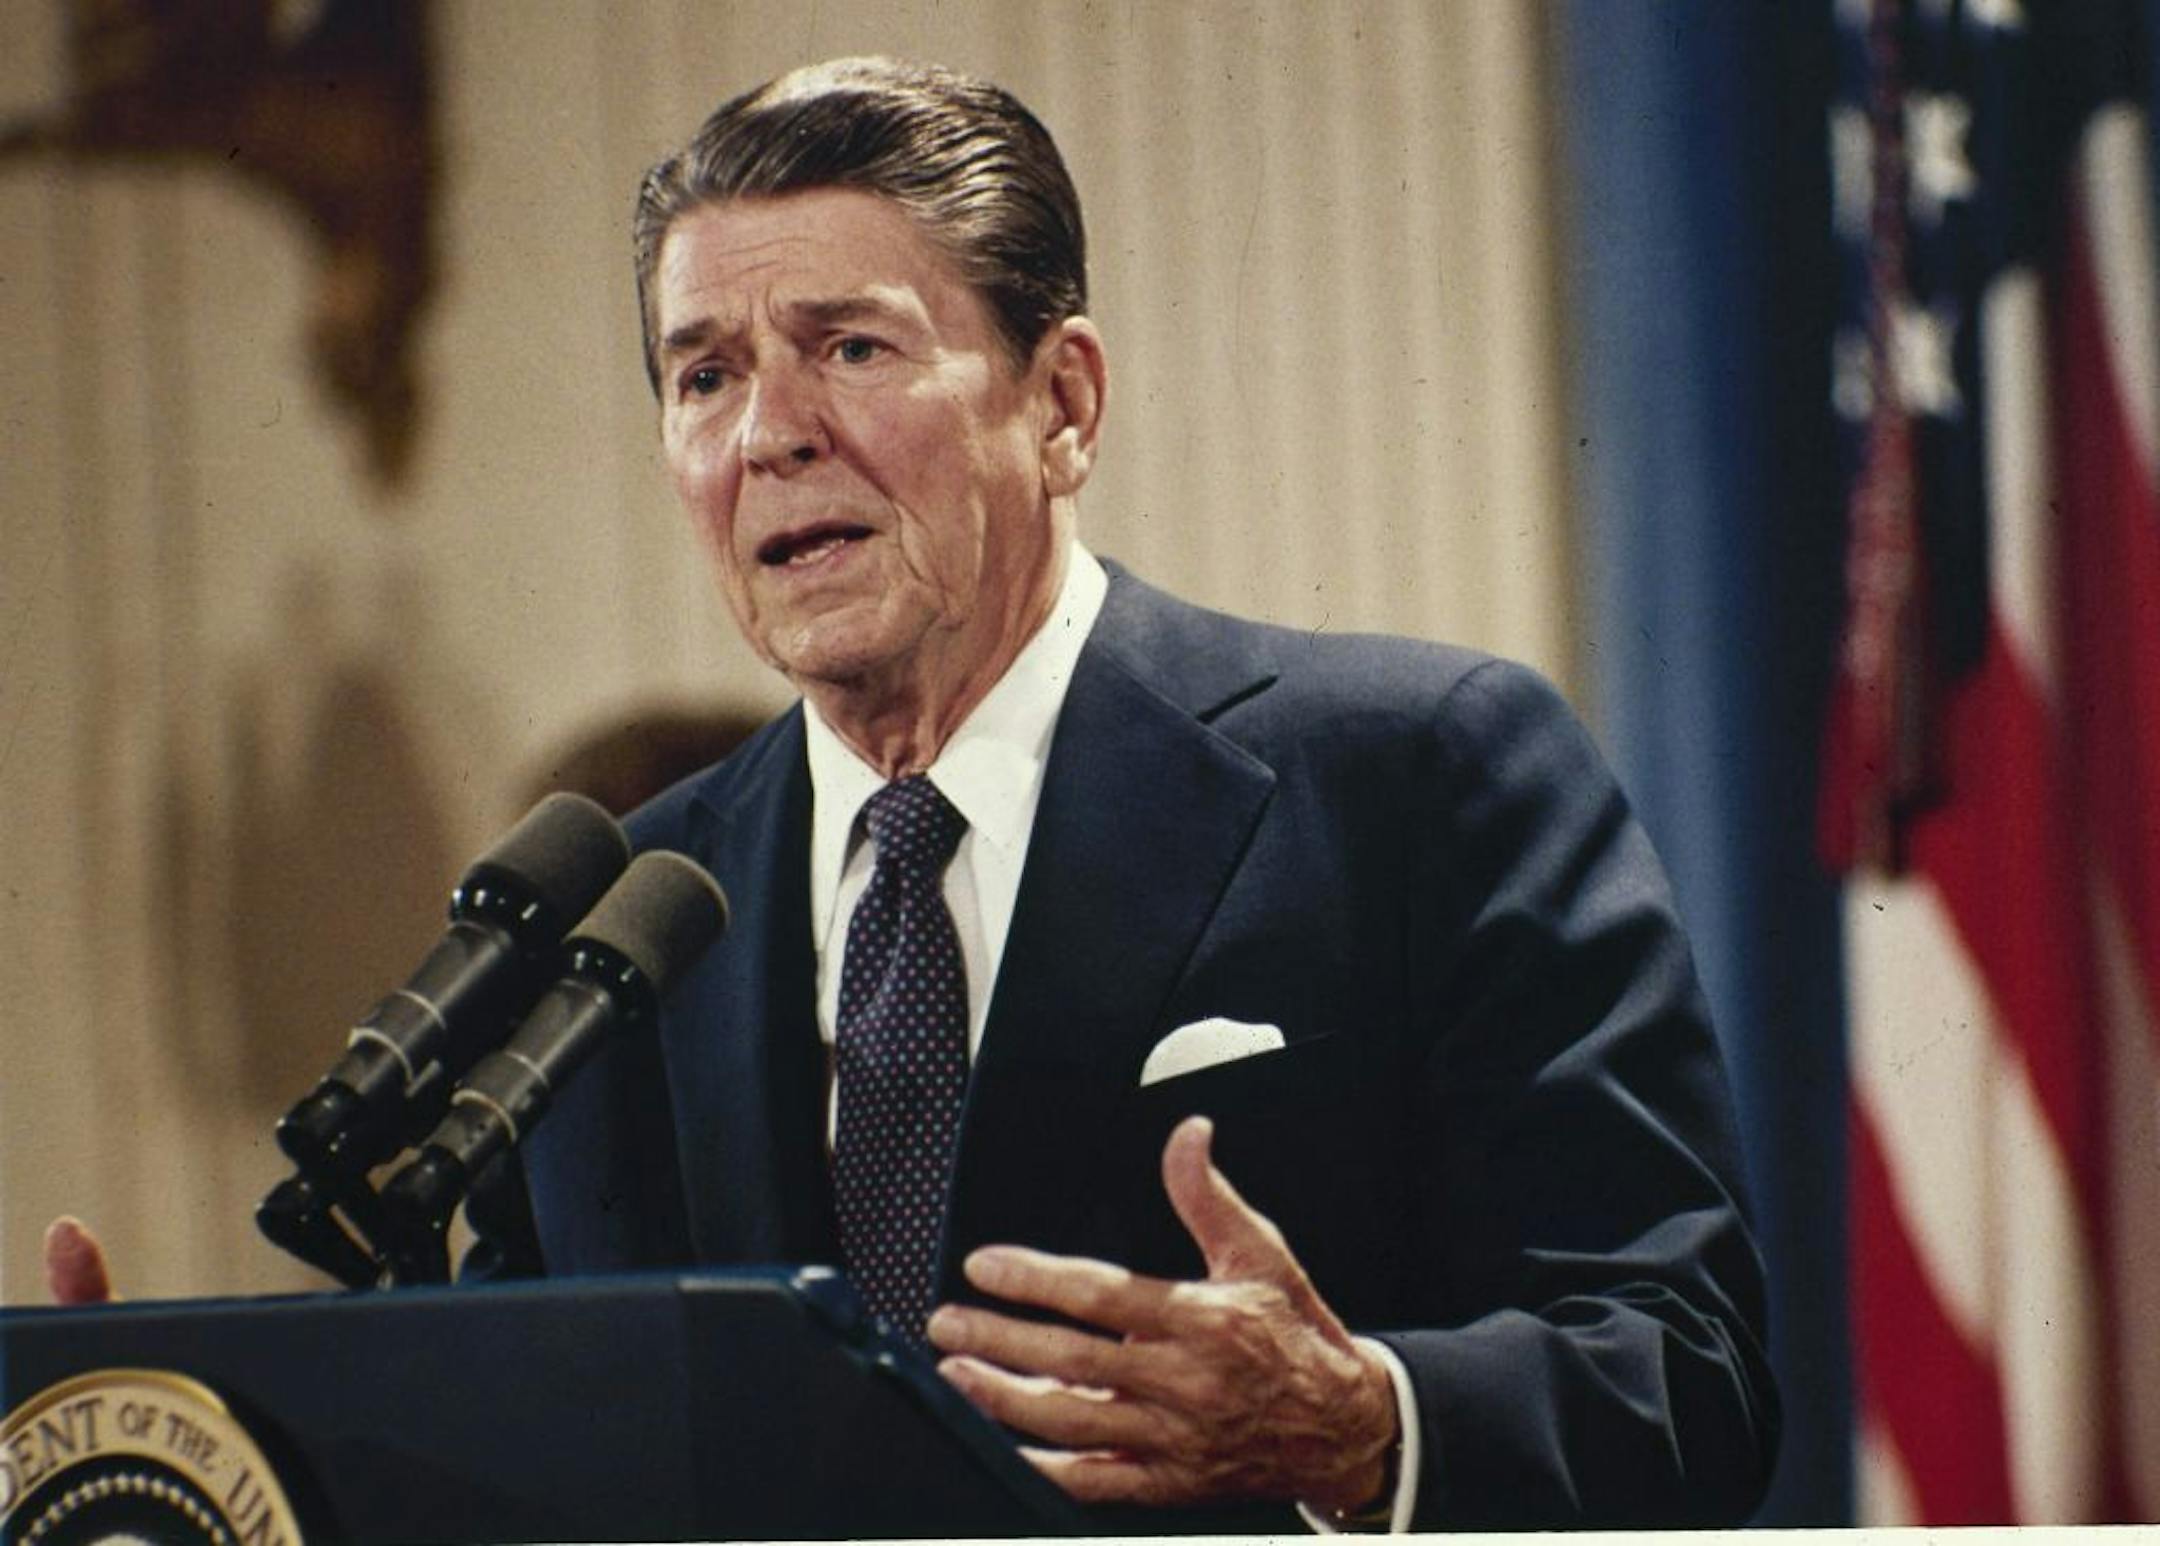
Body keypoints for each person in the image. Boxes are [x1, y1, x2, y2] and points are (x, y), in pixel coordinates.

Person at [55, 56, 1779, 1534]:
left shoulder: (1416, 770)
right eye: (704, 373)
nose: (770, 435)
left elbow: (1685, 1366)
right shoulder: (624, 930)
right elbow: (539, 1468)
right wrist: (222, 1459)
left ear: (1065, 400)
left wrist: (1361, 1415)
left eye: (851, 348)